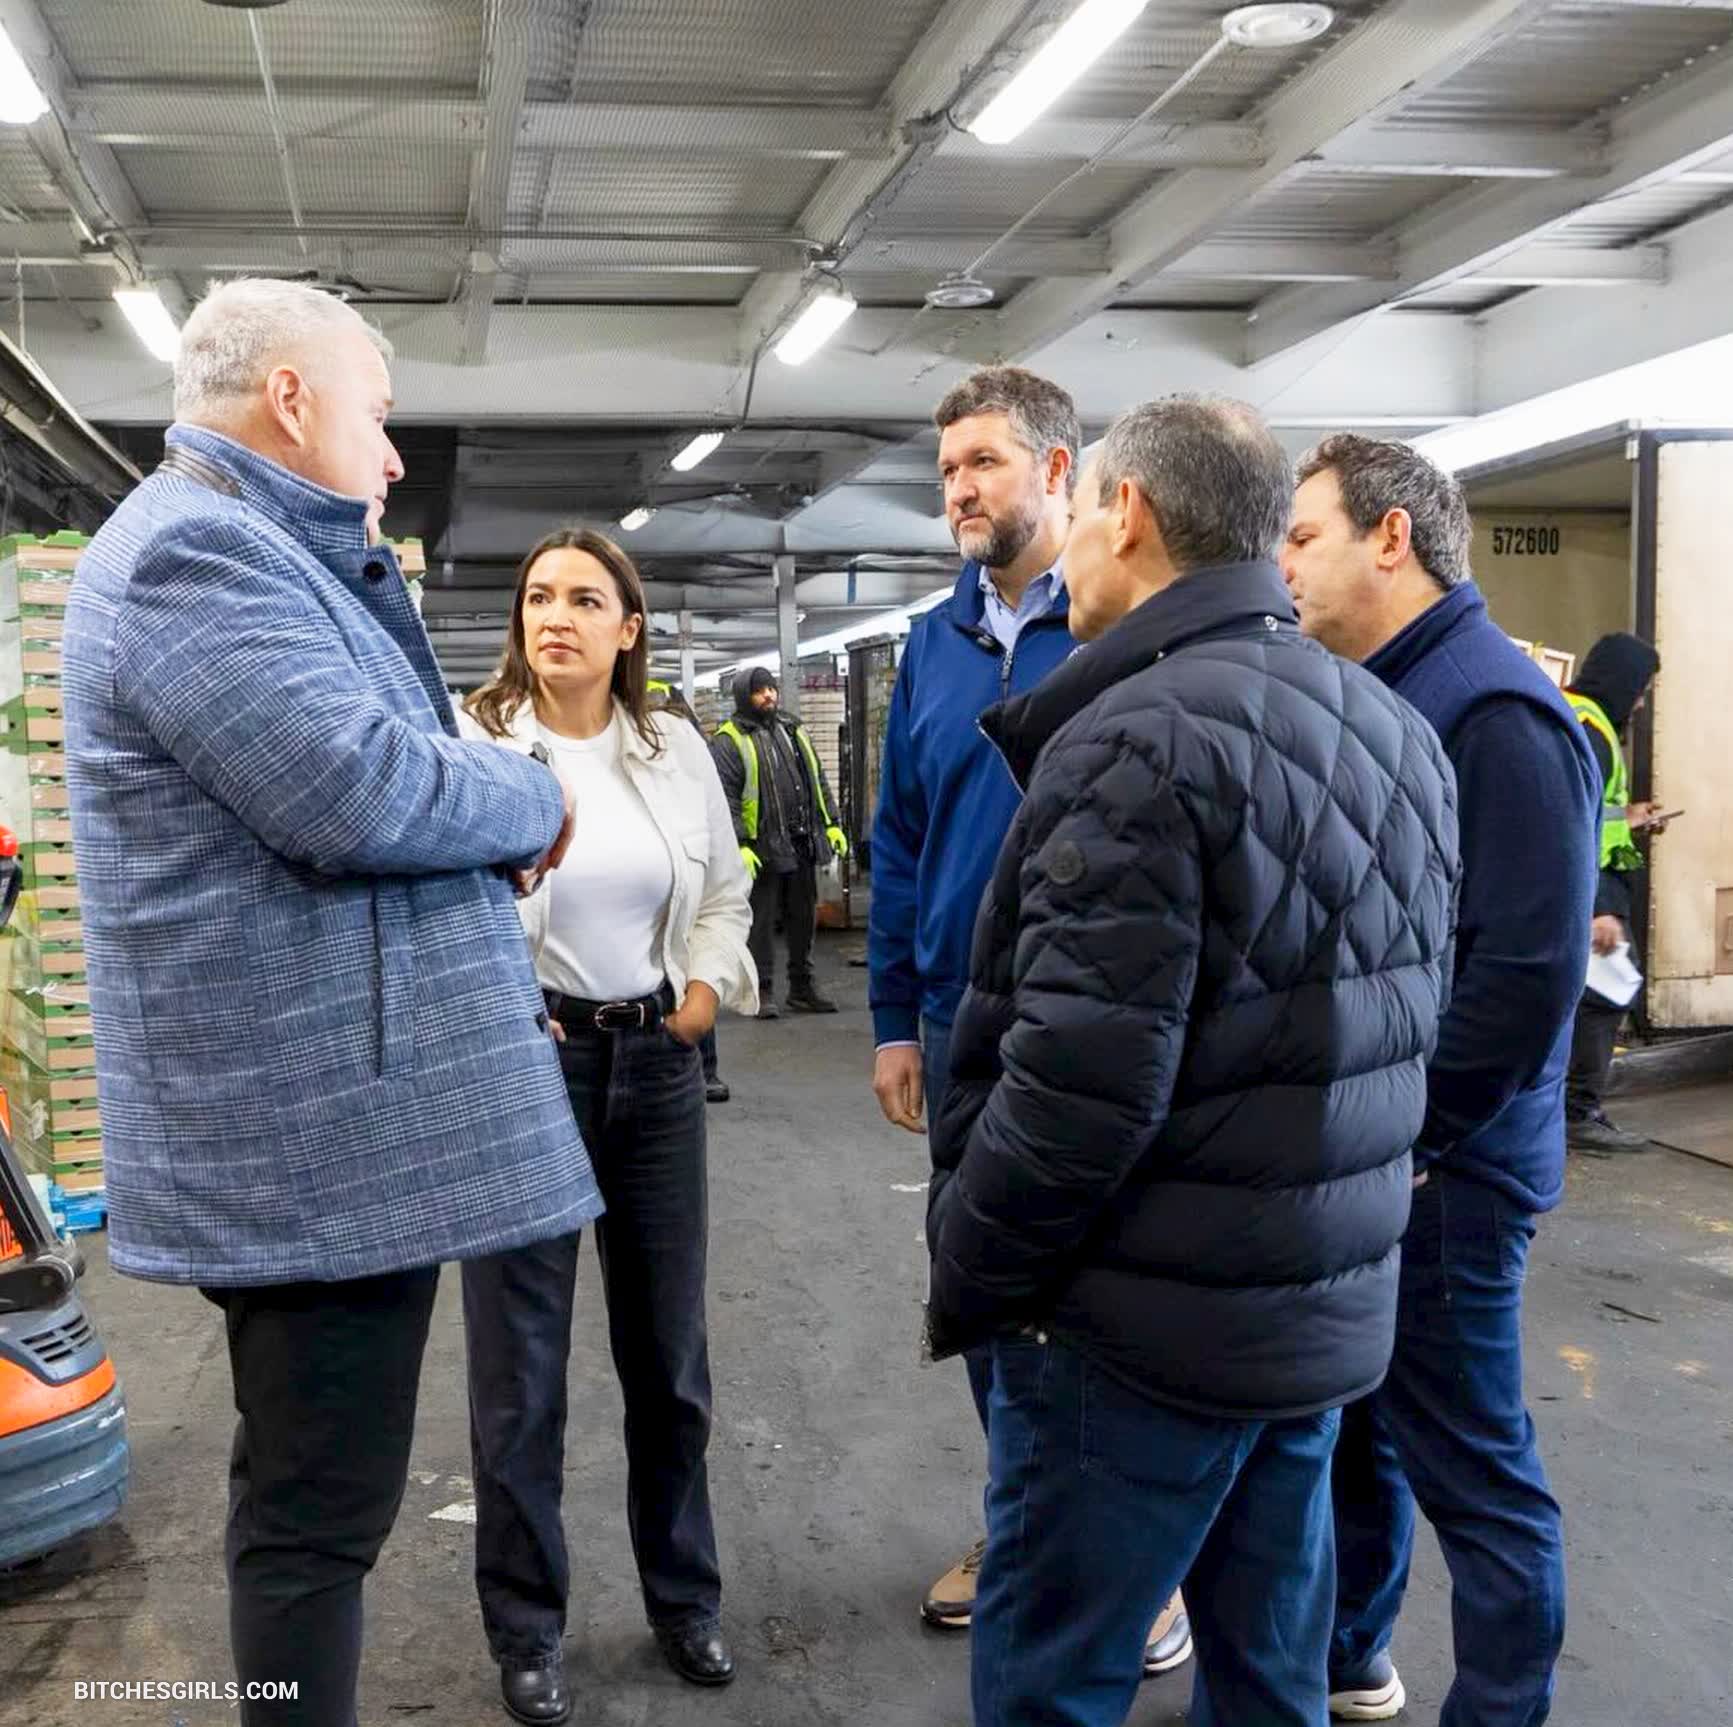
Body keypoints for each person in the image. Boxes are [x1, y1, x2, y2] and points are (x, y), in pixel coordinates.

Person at [61, 279, 602, 1727]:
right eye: (379, 411)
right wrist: (531, 789)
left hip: (333, 1130)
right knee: (316, 1517)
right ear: (290, 401)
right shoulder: (195, 554)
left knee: (315, 1496)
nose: (394, 453)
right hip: (310, 1139)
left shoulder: (243, 545)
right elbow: (355, 784)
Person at [926, 396, 1458, 1727]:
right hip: (1309, 1315)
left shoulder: (1132, 738)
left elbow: (1076, 1095)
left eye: (1081, 510)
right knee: (1268, 1676)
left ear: (1127, 514)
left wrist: (969, 1261)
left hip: (1136, 1333)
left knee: (1055, 1682)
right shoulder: (1392, 728)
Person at [870, 367, 1194, 1670]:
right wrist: (894, 1015)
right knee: (981, 1282)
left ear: (1059, 472)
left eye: (984, 462)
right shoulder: (933, 641)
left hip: (1098, 1015)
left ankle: (1139, 1571)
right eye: (948, 466)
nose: (959, 488)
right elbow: (901, 837)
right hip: (964, 1024)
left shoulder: (1125, 618)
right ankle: (1024, 1525)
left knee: (1105, 1294)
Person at [1284, 434, 1599, 1726]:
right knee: (1363, 1430)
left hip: (1448, 1170)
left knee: (1474, 1463)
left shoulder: (1493, 711)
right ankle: (1349, 1655)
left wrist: (1407, 1136)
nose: (1282, 561)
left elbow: (1525, 973)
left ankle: (1500, 1706)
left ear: (1390, 537)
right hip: (1386, 1148)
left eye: (1303, 535)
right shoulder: (1387, 688)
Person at [457, 531, 756, 1723]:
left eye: (586, 598)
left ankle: (684, 1597)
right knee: (519, 1374)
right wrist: (495, 1008)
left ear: (628, 627)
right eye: (538, 595)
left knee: (668, 1361)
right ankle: (526, 1626)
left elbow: (722, 891)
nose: (556, 615)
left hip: (655, 1067)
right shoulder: (473, 741)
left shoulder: (673, 749)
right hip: (525, 1070)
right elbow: (435, 902)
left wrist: (701, 992)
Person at [1563, 633, 1664, 1155]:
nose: (1641, 703)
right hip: (1591, 893)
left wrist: (1631, 817)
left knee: (1588, 996)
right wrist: (1601, 908)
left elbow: (1593, 812)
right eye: (1641, 689)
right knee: (1605, 994)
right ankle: (1577, 1112)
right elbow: (1574, 825)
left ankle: (1567, 1107)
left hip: (1583, 888)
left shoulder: (1578, 715)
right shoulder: (1591, 731)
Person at [711, 667, 847, 1017]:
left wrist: (832, 823)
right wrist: (741, 843)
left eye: (771, 688)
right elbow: (725, 797)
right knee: (761, 921)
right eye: (759, 691)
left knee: (803, 917)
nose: (768, 695)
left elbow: (816, 777)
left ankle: (802, 987)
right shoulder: (729, 739)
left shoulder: (792, 728)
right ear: (744, 696)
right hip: (762, 846)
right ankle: (762, 989)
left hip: (801, 839)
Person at [650, 678, 733, 1104]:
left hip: (688, 888)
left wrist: (697, 1014)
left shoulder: (686, 744)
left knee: (692, 969)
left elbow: (724, 900)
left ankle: (707, 1067)